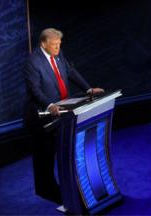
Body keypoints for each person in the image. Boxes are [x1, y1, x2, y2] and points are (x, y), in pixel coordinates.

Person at [23, 28, 104, 203]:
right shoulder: (33, 62)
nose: (57, 48)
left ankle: (64, 187)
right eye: (54, 45)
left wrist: (88, 89)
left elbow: (70, 71)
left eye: (59, 44)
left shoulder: (58, 54)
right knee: (44, 155)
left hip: (61, 113)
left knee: (60, 149)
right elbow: (34, 89)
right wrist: (50, 104)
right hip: (41, 116)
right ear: (43, 44)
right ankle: (46, 189)